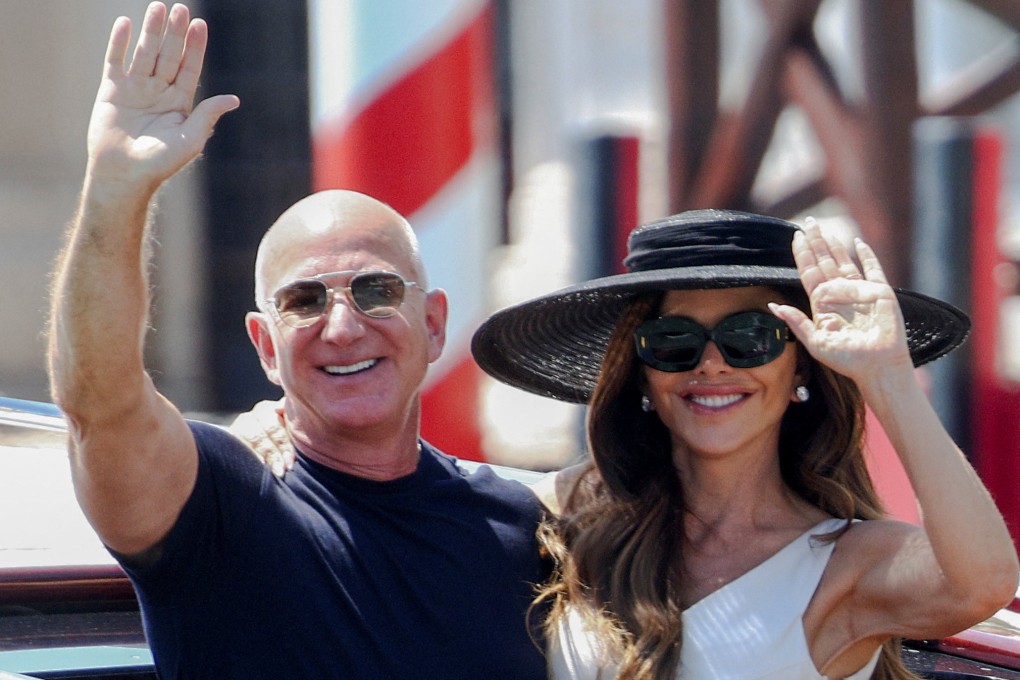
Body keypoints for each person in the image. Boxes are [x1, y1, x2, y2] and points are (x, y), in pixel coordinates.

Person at [46, 3, 548, 677]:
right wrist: (115, 191)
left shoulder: (522, 530)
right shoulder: (220, 507)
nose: (342, 327)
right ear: (264, 345)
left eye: (376, 291)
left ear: (432, 324)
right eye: (304, 301)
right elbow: (99, 405)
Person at [469, 209, 1020, 679]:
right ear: (641, 374)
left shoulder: (844, 563)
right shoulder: (569, 516)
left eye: (750, 338)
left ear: (800, 362)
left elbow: (983, 583)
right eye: (673, 341)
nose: (712, 363)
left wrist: (887, 376)